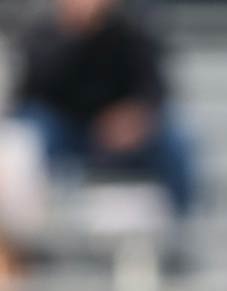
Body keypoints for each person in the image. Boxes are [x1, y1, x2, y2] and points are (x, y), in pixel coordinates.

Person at [10, 0, 196, 216]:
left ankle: (179, 230)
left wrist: (135, 116)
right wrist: (78, 33)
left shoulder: (132, 26)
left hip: (117, 131)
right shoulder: (42, 28)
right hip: (63, 128)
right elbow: (31, 90)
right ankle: (23, 235)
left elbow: (155, 87)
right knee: (27, 135)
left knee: (175, 140)